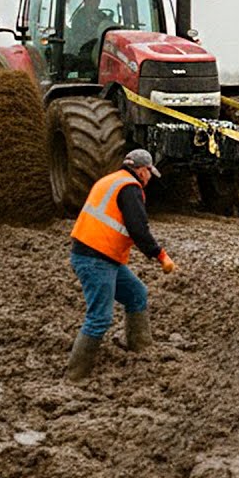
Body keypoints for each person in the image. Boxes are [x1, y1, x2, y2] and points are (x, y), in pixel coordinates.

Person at [65, 149, 177, 382]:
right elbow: (138, 229)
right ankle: (74, 376)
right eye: (149, 173)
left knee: (136, 294)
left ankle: (142, 351)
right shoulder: (129, 187)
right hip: (95, 259)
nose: (149, 179)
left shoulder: (111, 180)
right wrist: (161, 256)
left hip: (102, 257)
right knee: (100, 318)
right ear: (141, 170)